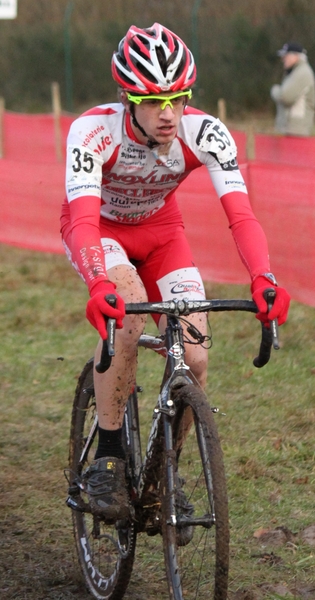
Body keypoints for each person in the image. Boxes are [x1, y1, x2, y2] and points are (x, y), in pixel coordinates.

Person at [61, 23, 290, 522]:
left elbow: (241, 215)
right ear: (127, 97)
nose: (168, 113)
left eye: (179, 98)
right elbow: (80, 218)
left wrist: (262, 277)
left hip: (163, 233)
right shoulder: (93, 131)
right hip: (100, 231)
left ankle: (168, 471)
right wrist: (100, 283)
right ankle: (109, 455)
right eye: (152, 101)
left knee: (195, 352)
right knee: (129, 317)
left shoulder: (205, 131)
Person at [270, 41, 315, 136]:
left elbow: (286, 97)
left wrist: (275, 90)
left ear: (295, 56)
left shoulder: (302, 73)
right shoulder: (296, 72)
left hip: (297, 130)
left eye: (286, 56)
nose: (283, 59)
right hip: (293, 129)